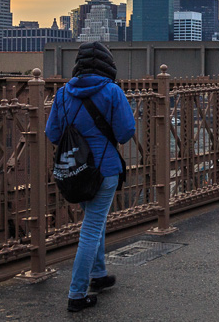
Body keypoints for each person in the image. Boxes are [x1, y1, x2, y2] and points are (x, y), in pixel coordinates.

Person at [46, 42, 136, 312]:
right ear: (107, 64)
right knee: (91, 229)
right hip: (104, 171)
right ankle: (76, 294)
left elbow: (52, 134)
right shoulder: (112, 91)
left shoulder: (62, 94)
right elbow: (125, 132)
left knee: (93, 222)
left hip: (76, 172)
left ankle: (98, 274)